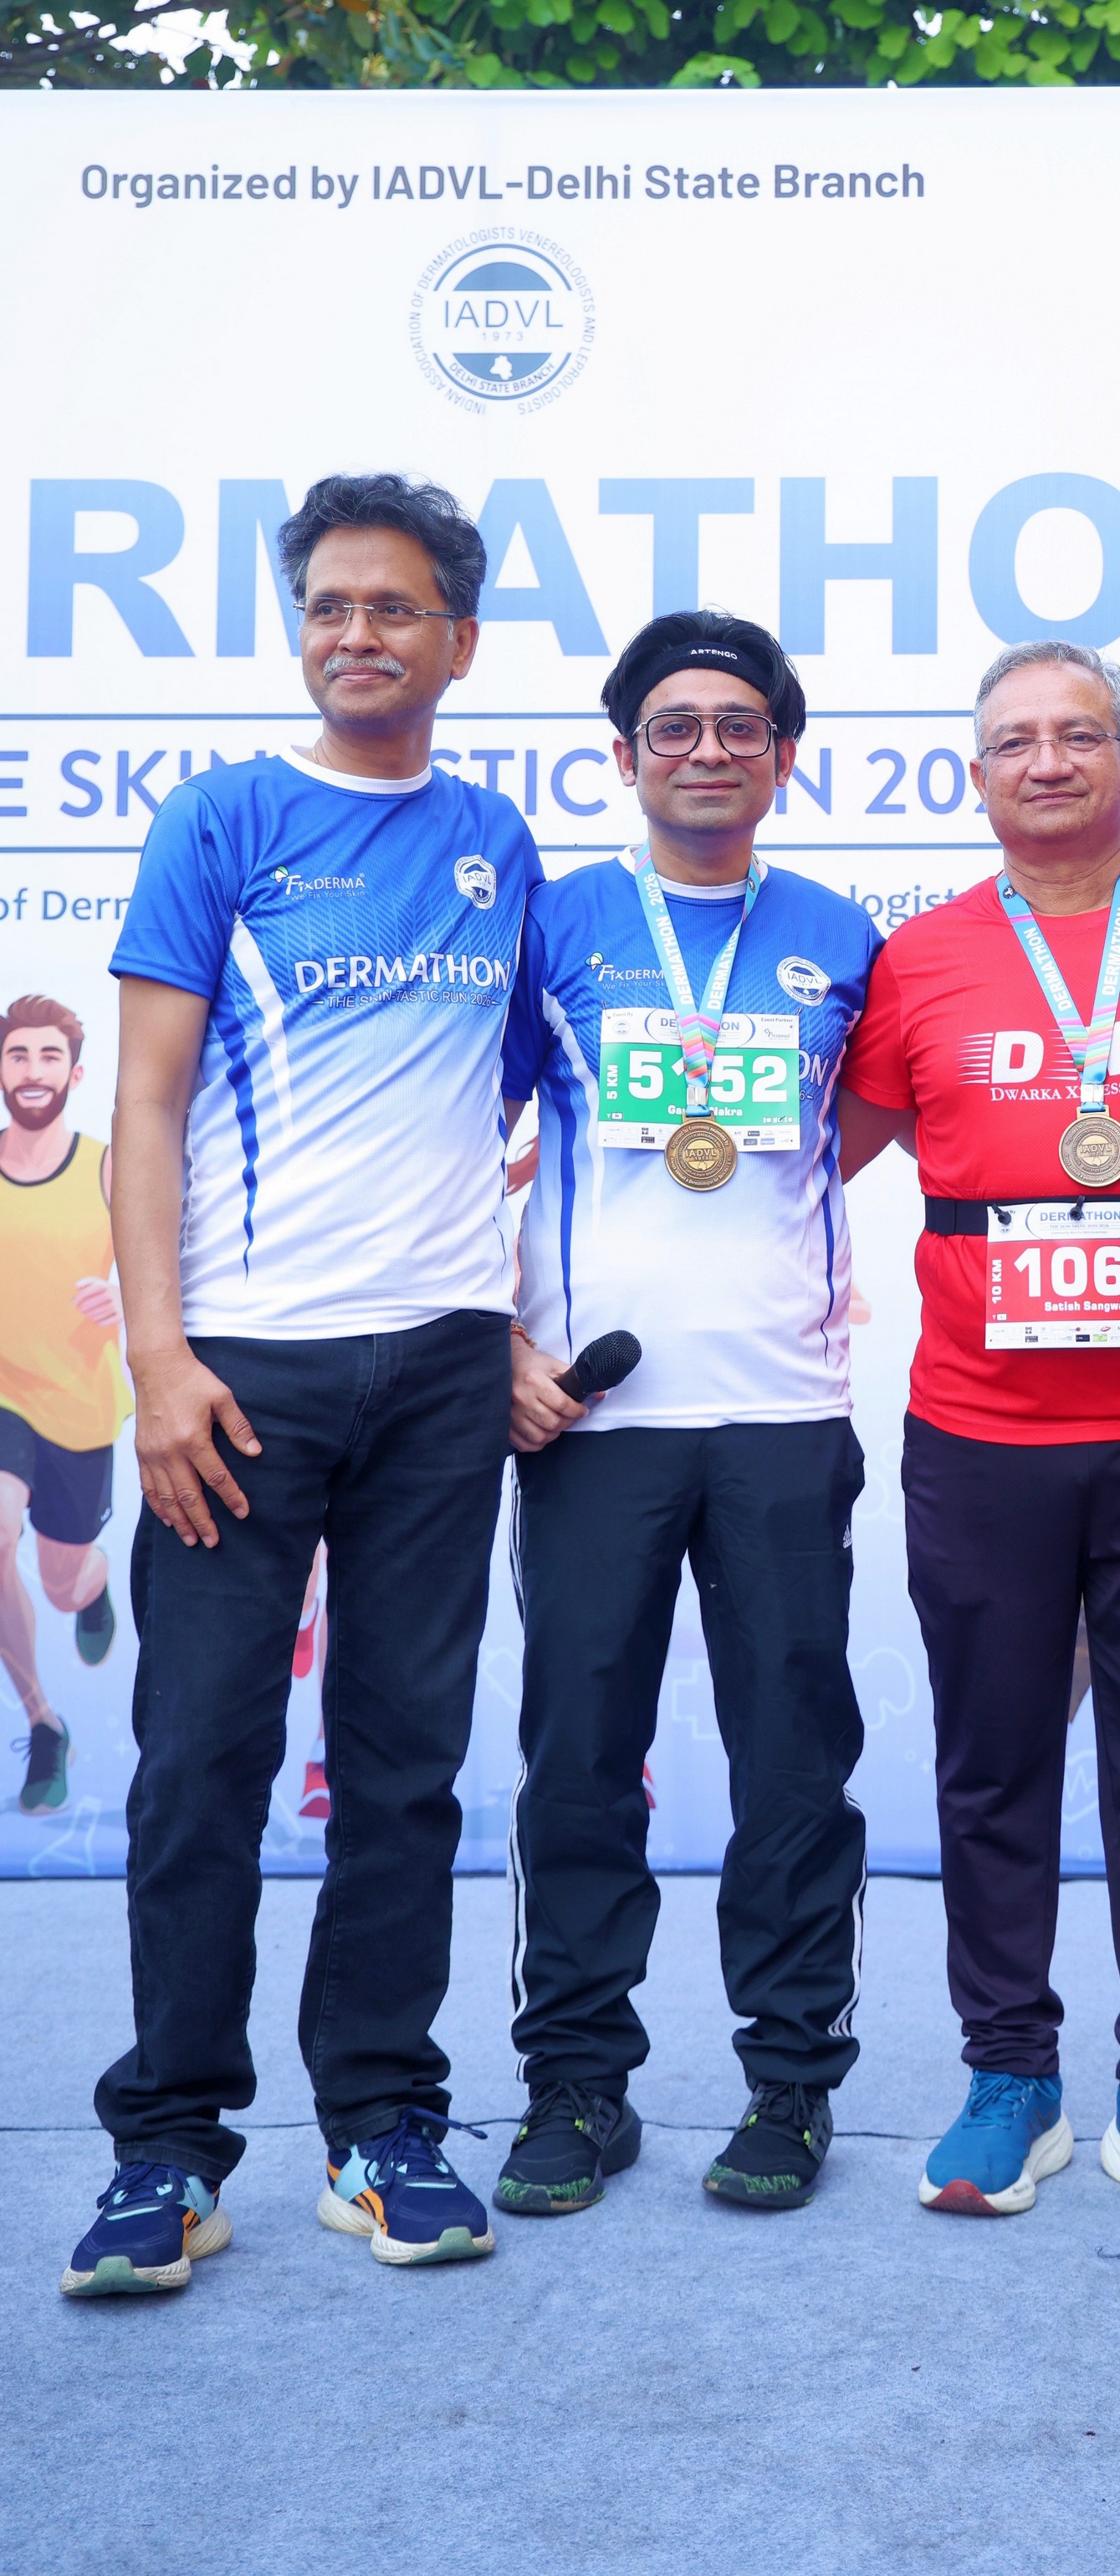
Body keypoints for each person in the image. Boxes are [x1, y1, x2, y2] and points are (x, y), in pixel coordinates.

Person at [63, 472, 540, 2301]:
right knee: (200, 1762)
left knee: (404, 1767)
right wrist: (159, 1361)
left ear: (458, 641)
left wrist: (501, 1313)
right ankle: (168, 2148)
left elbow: (503, 1092)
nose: (358, 633)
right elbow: (147, 1103)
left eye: (395, 606)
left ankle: (383, 2123)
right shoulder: (224, 820)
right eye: (330, 604)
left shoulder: (493, 837)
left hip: (439, 1370)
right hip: (240, 1372)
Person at [839, 640, 1120, 2227]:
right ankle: (1010, 2077)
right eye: (1014, 742)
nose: (1047, 761)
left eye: (1079, 735)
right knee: (995, 1761)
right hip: (980, 1426)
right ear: (975, 777)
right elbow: (801, 1159)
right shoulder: (919, 961)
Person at [499, 610, 880, 2220]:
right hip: (592, 1421)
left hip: (784, 1414)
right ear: (625, 755)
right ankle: (577, 2087)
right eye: (675, 725)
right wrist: (496, 1342)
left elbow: (855, 1133)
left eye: (739, 725)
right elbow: (454, 1136)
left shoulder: (843, 938)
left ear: (784, 757)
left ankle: (790, 2084)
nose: (708, 749)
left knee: (793, 1764)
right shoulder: (554, 926)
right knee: (580, 1763)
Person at [0, 993, 128, 1815]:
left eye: (50, 1055)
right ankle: (44, 1721)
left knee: (61, 1584)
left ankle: (92, 1581)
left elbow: (164, 1267)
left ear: (75, 1074)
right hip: (3, 1396)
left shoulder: (108, 1167)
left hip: (79, 1405)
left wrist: (124, 1296)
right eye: (18, 1054)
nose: (33, 1070)